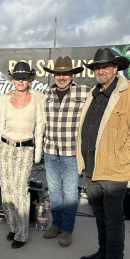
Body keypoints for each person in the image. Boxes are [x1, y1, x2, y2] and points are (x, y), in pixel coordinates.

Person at [77, 48, 130, 259]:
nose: (101, 70)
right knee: (99, 214)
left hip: (114, 171)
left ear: (115, 68)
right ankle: (103, 252)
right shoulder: (93, 93)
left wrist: (122, 157)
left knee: (114, 220)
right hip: (91, 168)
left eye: (105, 66)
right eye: (97, 67)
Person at [0, 62, 46, 249]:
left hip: (26, 149)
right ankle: (13, 225)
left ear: (30, 79)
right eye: (17, 77)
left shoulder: (38, 99)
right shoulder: (3, 100)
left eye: (24, 77)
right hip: (7, 147)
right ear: (12, 79)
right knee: (7, 192)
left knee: (20, 191)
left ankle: (22, 233)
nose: (20, 80)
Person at [42, 56, 90, 246]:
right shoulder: (45, 93)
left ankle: (67, 229)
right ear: (54, 75)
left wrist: (126, 82)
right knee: (53, 190)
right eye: (58, 73)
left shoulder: (84, 91)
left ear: (72, 74)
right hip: (50, 151)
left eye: (65, 73)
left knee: (70, 193)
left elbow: (107, 92)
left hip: (71, 153)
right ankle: (56, 224)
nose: (61, 77)